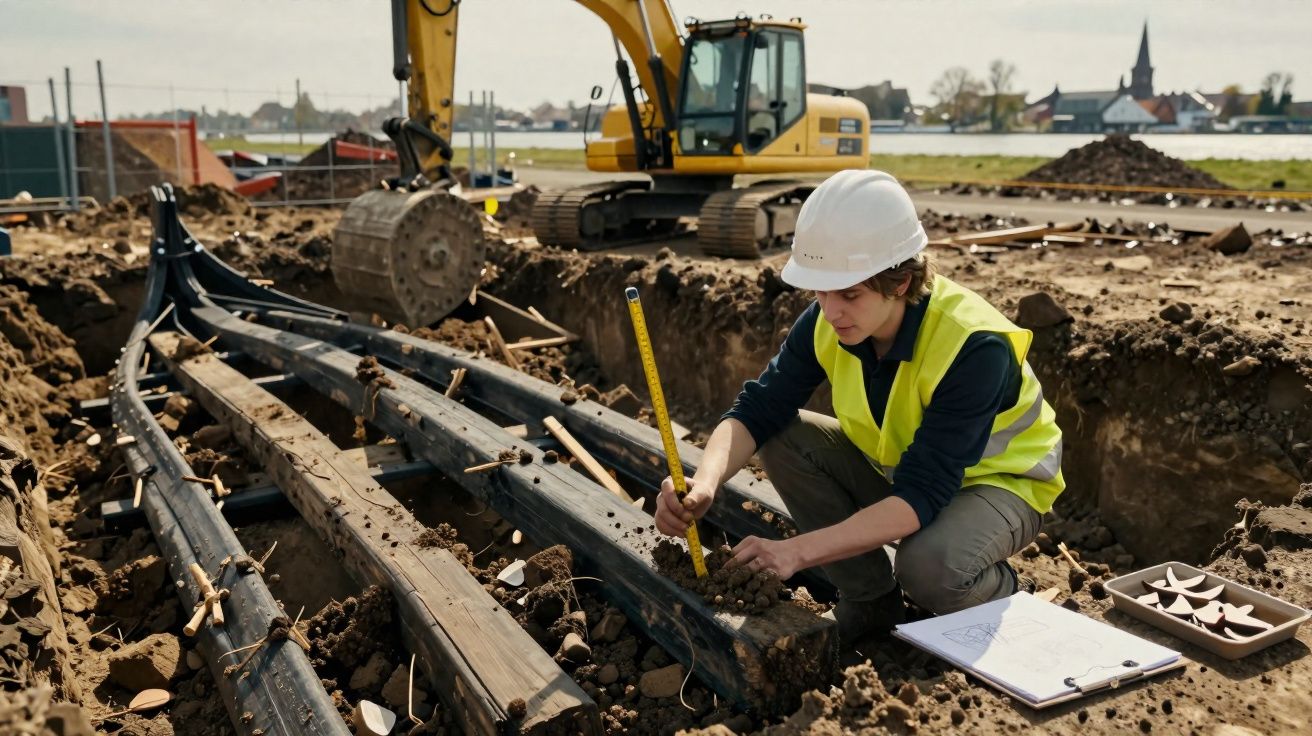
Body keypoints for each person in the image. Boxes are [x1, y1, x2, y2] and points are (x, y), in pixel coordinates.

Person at [654, 169, 1065, 653]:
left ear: (901, 281)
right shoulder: (832, 319)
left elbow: (923, 493)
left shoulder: (974, 346)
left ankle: (1000, 600)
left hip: (1002, 484)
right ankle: (870, 601)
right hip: (909, 477)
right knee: (784, 434)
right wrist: (703, 482)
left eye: (849, 294)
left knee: (928, 570)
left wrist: (795, 552)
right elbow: (757, 410)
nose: (830, 312)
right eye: (820, 291)